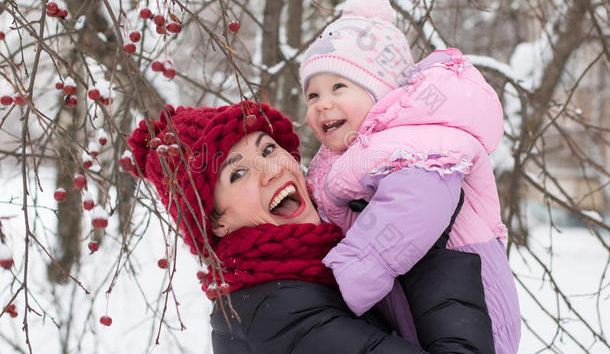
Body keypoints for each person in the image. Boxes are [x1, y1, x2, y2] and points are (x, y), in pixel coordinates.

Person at [127, 101, 491, 353]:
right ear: (216, 222)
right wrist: (424, 249)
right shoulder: (278, 314)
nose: (273, 170)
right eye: (237, 173)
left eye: (268, 150)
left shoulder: (317, 272)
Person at [300, 0, 521, 353]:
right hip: (422, 298)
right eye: (312, 95)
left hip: (471, 305)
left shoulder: (417, 138)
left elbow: (416, 205)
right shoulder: (349, 156)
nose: (323, 103)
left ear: (381, 92)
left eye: (339, 86)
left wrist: (350, 273)